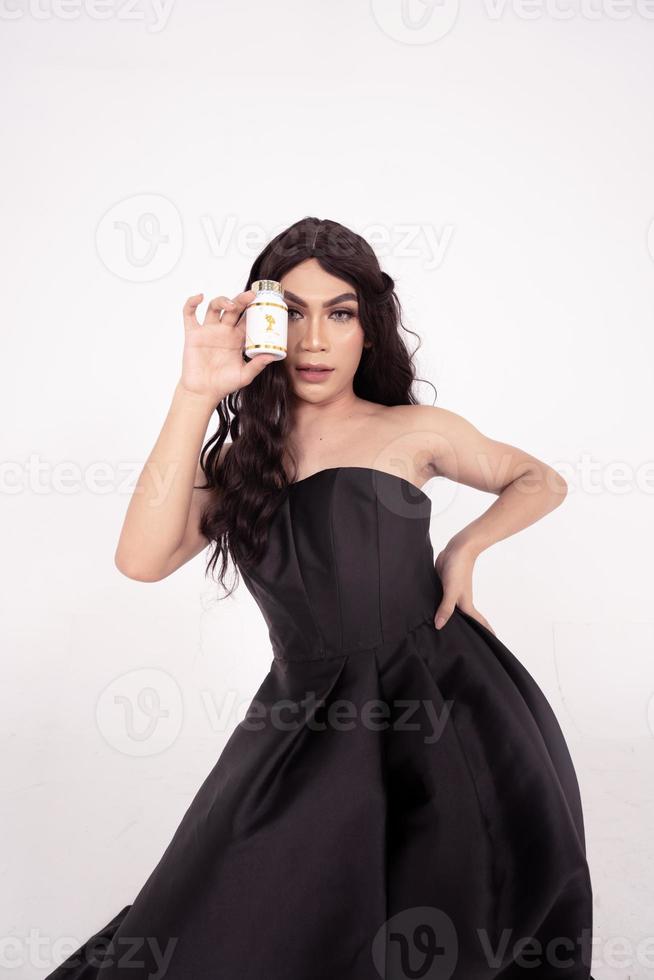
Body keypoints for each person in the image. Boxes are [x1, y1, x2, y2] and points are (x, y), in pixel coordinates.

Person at [45, 217, 595, 979]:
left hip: (441, 709)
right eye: (292, 313)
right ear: (262, 323)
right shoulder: (242, 461)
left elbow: (541, 479)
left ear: (368, 329)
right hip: (299, 719)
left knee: (437, 922)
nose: (314, 339)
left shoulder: (412, 429)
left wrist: (465, 547)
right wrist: (195, 392)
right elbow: (140, 560)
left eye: (339, 313)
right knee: (221, 917)